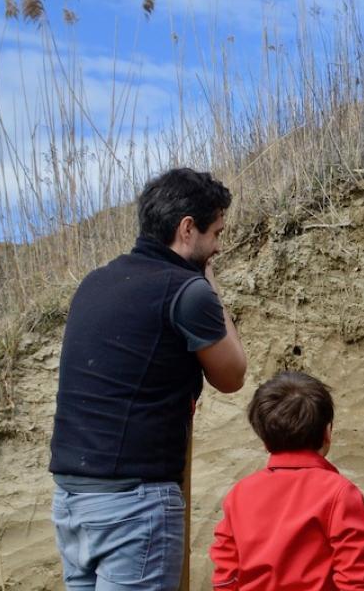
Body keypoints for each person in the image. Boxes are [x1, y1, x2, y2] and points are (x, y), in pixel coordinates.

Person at [49, 167, 249, 590]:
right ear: (187, 228)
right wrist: (208, 282)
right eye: (216, 234)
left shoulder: (95, 283)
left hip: (72, 502)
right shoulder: (186, 291)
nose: (217, 247)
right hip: (132, 508)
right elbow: (232, 375)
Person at [210, 372, 364, 590]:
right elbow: (357, 580)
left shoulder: (239, 493)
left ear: (264, 440)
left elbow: (226, 578)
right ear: (327, 432)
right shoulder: (340, 493)